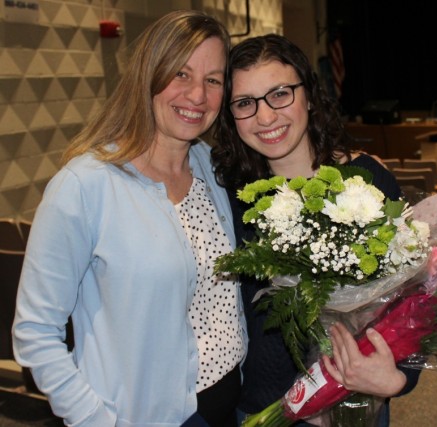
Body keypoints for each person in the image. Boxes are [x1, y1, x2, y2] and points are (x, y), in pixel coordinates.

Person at [12, 10, 247, 427]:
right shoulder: (86, 186)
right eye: (181, 74)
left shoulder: (213, 167)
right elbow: (35, 332)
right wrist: (94, 420)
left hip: (231, 406)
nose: (197, 95)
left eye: (213, 80)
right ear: (148, 76)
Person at [212, 34, 420, 426]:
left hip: (356, 402)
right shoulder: (231, 197)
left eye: (279, 94)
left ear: (308, 94)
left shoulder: (367, 182)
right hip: (265, 409)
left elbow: (413, 299)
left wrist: (398, 379)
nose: (266, 117)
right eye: (245, 103)